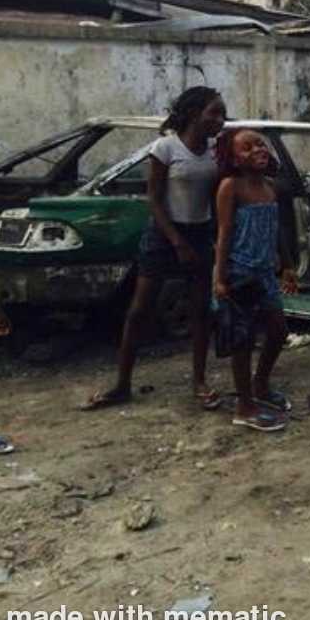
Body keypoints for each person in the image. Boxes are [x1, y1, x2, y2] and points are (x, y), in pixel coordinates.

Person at [85, 87, 227, 411]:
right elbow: (154, 199)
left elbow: (218, 196)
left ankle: (199, 382)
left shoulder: (216, 152)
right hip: (165, 234)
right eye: (214, 112)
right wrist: (177, 241)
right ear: (193, 114)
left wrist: (217, 238)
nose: (220, 119)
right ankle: (122, 384)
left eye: (222, 113)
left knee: (201, 311)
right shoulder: (166, 147)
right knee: (139, 310)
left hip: (201, 232)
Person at [213, 129, 295, 432]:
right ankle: (244, 405)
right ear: (234, 159)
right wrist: (219, 278)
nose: (257, 150)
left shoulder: (271, 187)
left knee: (278, 331)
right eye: (246, 148)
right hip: (239, 272)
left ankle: (260, 384)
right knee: (242, 341)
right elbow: (224, 234)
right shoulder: (230, 187)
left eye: (260, 144)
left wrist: (287, 265)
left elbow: (277, 230)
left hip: (265, 273)